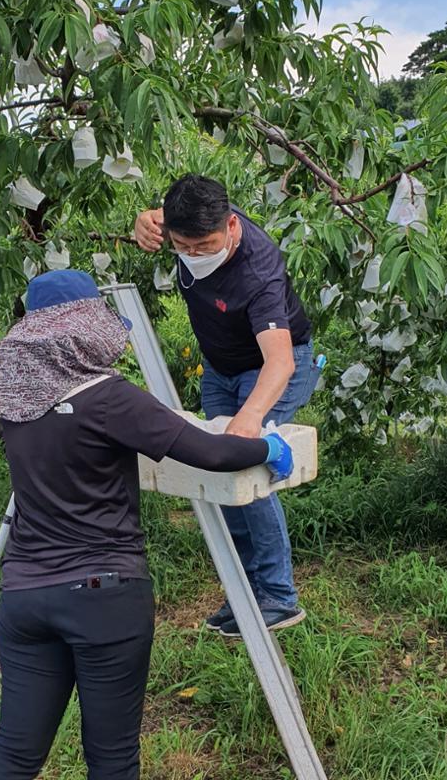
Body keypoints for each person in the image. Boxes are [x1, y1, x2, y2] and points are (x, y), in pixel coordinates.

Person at [0, 269, 292, 780]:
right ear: (86, 330)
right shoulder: (108, 398)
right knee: (112, 759)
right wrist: (267, 448)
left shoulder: (13, 407)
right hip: (103, 595)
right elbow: (209, 450)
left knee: (14, 753)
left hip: (25, 597)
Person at [135, 174, 319, 637]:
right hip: (220, 368)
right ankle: (246, 591)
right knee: (218, 474)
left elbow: (279, 361)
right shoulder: (181, 223)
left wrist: (249, 419)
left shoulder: (259, 270)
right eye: (184, 247)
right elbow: (155, 219)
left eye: (206, 246)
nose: (194, 255)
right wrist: (143, 223)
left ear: (232, 226)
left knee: (244, 466)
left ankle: (279, 595)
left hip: (273, 364)